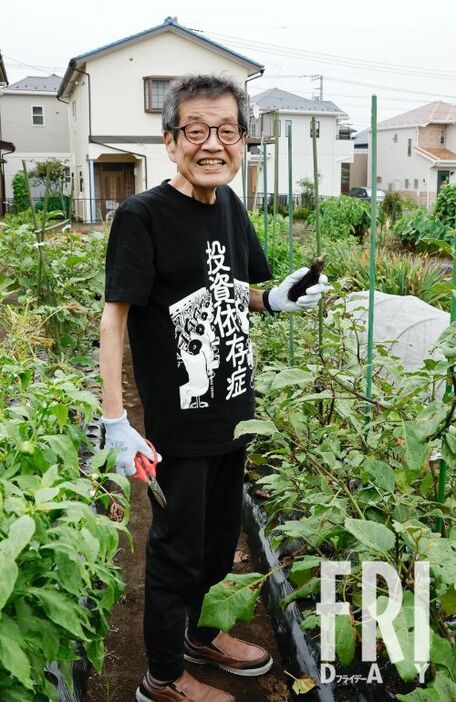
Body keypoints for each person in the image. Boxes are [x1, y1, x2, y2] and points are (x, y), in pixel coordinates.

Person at [99, 74, 328, 702]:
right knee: (175, 550)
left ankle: (199, 634)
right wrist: (116, 421)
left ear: (243, 140)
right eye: (195, 131)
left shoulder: (229, 207)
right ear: (170, 140)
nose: (212, 144)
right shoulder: (142, 217)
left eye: (226, 131)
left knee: (219, 538)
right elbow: (114, 319)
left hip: (234, 412)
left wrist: (276, 299)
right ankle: (163, 677)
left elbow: (239, 293)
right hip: (178, 426)